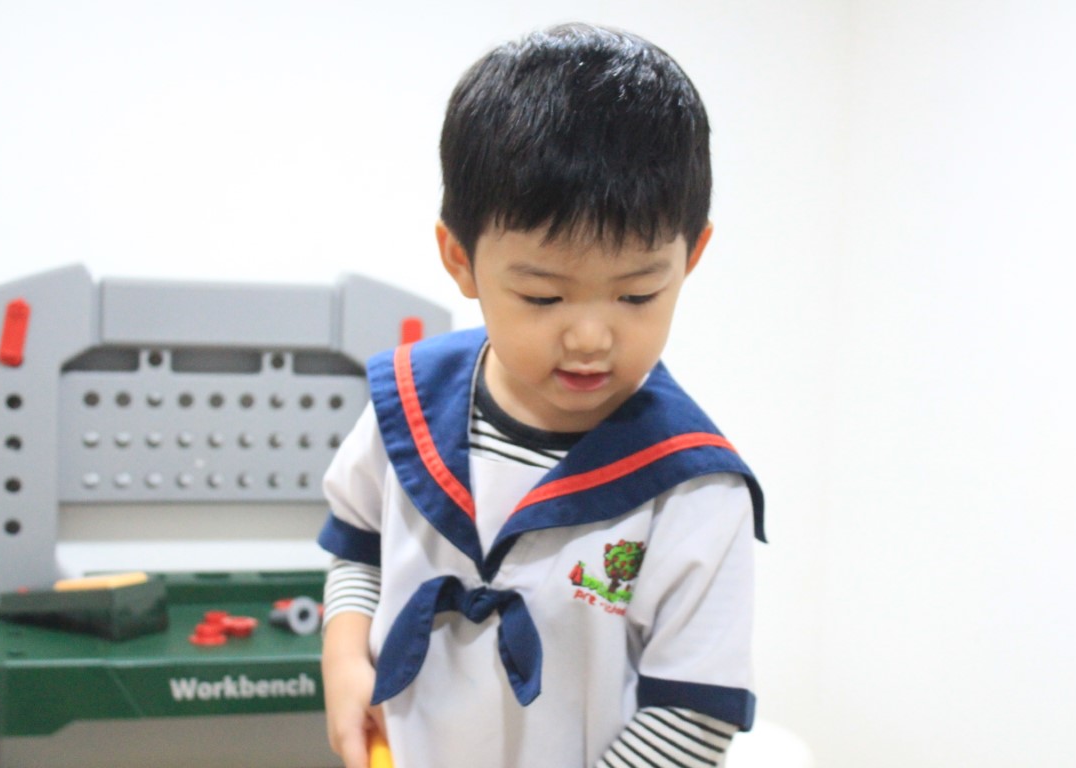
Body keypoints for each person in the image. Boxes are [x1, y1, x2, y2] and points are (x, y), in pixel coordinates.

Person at [318, 23, 765, 768]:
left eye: (636, 295)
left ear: (691, 257)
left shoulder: (692, 489)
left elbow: (691, 718)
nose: (590, 337)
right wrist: (342, 655)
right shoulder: (408, 405)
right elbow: (358, 548)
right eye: (544, 296)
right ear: (460, 260)